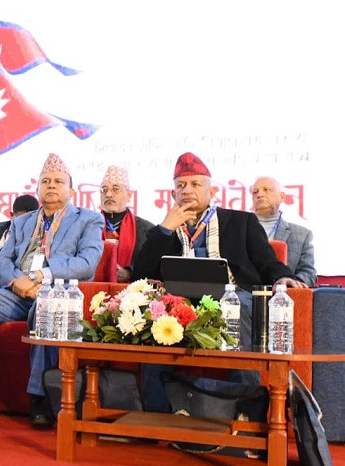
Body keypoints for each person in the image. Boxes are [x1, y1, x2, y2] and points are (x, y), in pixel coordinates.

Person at [131, 152, 307, 412]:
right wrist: (166, 228)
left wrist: (284, 276)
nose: (187, 190)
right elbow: (141, 273)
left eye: (195, 184)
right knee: (156, 314)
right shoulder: (163, 230)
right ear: (172, 194)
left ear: (212, 191)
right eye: (181, 185)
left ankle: (247, 415)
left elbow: (267, 261)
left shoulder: (241, 222)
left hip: (233, 296)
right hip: (180, 299)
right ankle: (157, 414)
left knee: (233, 310)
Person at [0, 153, 103, 426]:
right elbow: (2, 262)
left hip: (57, 294)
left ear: (71, 191)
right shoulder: (22, 222)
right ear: (37, 189)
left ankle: (40, 398)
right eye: (46, 181)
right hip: (17, 292)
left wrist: (40, 276)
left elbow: (86, 263)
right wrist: (18, 282)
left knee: (45, 307)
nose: (51, 186)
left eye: (58, 181)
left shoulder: (88, 220)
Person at [251, 176, 317, 287]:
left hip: (284, 294)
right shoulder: (240, 230)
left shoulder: (302, 235)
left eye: (266, 190)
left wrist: (291, 283)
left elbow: (308, 273)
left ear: (282, 196)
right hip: (246, 292)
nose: (260, 194)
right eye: (255, 192)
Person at [99, 165, 155, 282]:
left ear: (129, 196)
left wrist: (130, 273)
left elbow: (154, 266)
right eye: (104, 190)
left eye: (116, 189)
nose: (108, 194)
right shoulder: (89, 226)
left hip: (132, 292)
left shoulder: (147, 229)